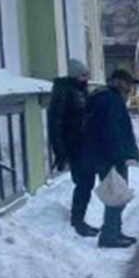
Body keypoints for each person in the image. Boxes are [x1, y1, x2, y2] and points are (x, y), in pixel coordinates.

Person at [81, 69, 139, 249]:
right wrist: (121, 156)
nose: (130, 88)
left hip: (103, 155)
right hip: (110, 158)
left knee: (116, 195)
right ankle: (109, 235)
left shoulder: (104, 97)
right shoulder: (111, 100)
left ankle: (114, 231)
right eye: (128, 84)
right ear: (118, 82)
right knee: (116, 196)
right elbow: (113, 131)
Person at [48, 59, 97, 237]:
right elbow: (55, 122)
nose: (87, 79)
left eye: (87, 75)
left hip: (83, 145)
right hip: (73, 145)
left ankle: (79, 219)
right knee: (84, 183)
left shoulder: (80, 91)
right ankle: (77, 221)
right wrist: (60, 150)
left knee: (86, 182)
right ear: (75, 75)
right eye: (84, 75)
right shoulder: (64, 92)